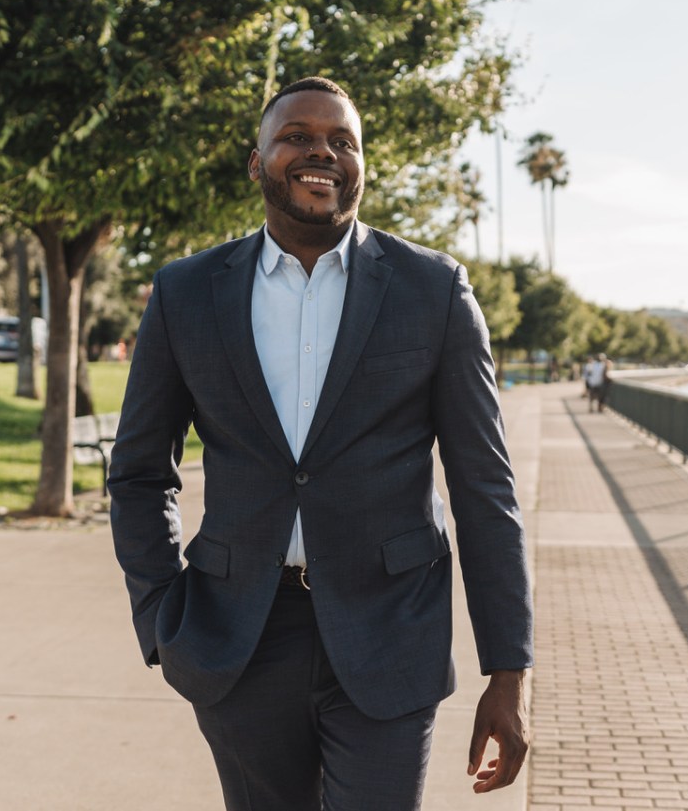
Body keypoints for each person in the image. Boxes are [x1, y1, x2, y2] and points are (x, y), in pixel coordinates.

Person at [108, 77, 533, 811]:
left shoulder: (434, 291)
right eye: (298, 136)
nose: (321, 152)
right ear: (258, 161)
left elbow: (484, 488)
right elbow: (142, 470)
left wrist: (508, 669)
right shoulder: (186, 292)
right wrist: (159, 614)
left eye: (342, 140)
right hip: (238, 637)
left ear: (363, 162)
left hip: (390, 631)